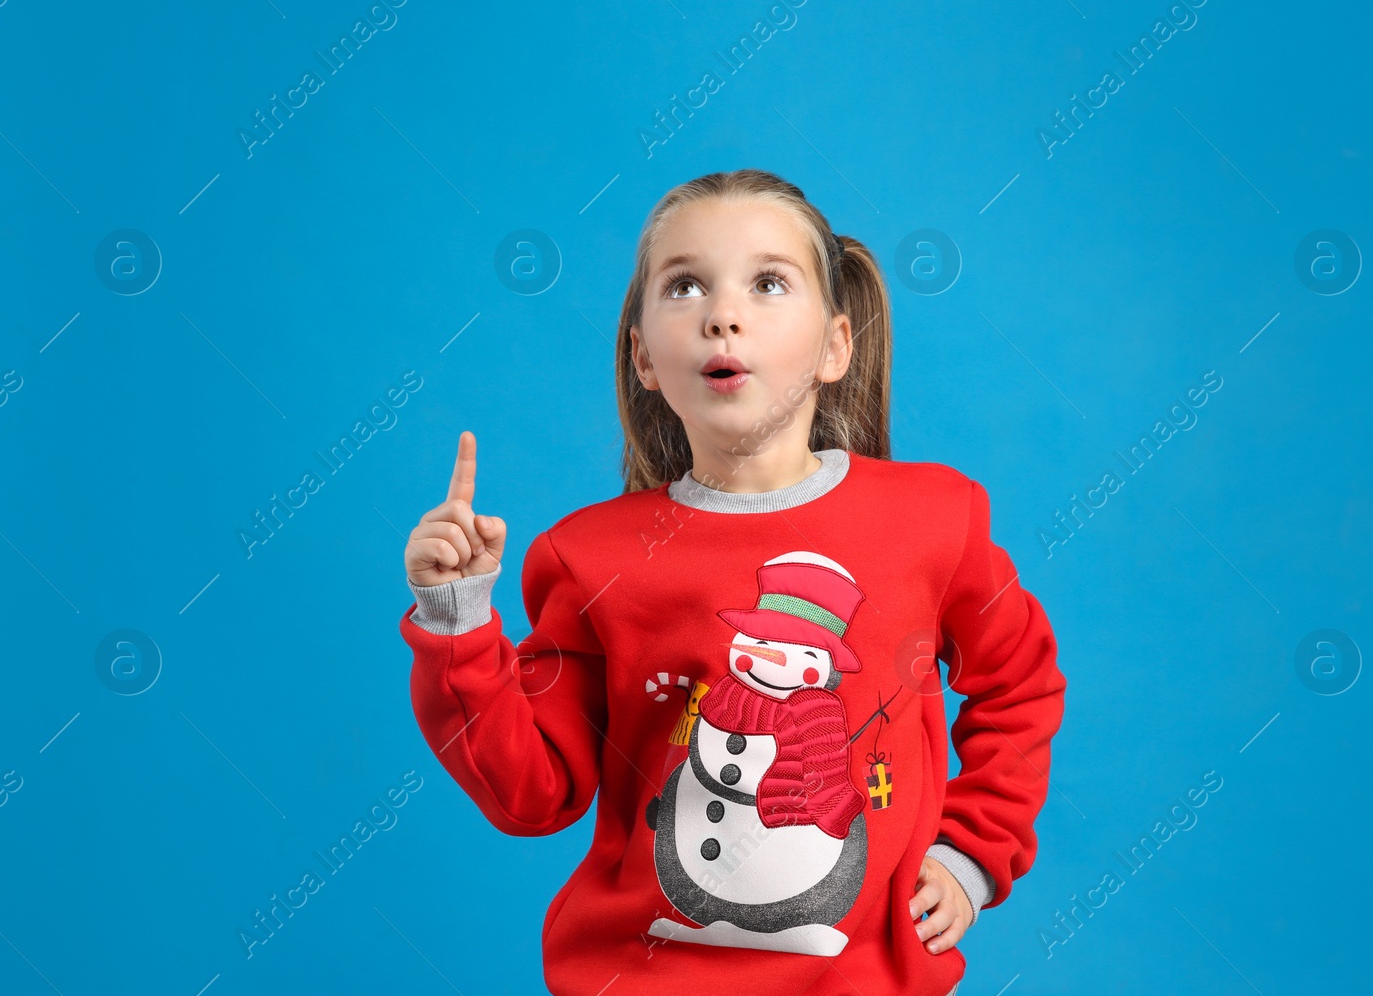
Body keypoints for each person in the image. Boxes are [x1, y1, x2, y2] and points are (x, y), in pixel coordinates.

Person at [399, 168, 1066, 996]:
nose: (723, 312)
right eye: (684, 285)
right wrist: (458, 620)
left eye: (768, 282)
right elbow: (533, 794)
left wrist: (973, 850)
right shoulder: (590, 558)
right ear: (643, 354)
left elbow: (1021, 683)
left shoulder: (935, 520)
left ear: (835, 346)